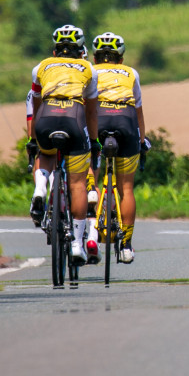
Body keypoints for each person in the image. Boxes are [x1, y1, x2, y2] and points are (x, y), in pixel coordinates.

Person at [29, 24, 100, 265]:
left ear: (55, 50)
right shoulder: (88, 68)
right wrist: (95, 141)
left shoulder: (41, 67)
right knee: (78, 183)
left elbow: (34, 105)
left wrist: (33, 138)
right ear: (81, 49)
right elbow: (91, 113)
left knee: (45, 154)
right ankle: (78, 245)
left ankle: (40, 188)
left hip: (46, 118)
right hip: (74, 117)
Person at [91, 31, 146, 264]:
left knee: (85, 178)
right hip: (126, 121)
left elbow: (86, 108)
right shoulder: (131, 73)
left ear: (95, 58)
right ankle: (126, 246)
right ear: (120, 59)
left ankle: (89, 232)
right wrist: (142, 142)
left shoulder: (90, 71)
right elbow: (139, 111)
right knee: (126, 188)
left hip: (99, 119)